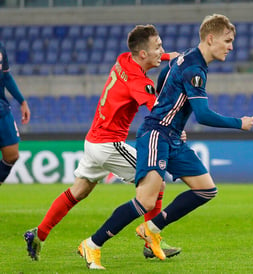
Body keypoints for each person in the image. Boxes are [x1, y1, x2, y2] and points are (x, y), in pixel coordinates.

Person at [78, 13, 253, 269]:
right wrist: (239, 123)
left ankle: (152, 228)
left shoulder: (186, 57)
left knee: (206, 189)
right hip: (156, 135)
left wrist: (166, 105)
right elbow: (203, 115)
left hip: (172, 137)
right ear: (210, 38)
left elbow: (164, 78)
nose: (231, 46)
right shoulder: (194, 69)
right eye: (227, 41)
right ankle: (92, 245)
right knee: (146, 201)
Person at [23, 25, 182, 265]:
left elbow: (152, 58)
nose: (162, 50)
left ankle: (39, 234)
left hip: (93, 141)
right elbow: (158, 112)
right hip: (109, 143)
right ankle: (150, 241)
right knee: (155, 180)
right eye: (158, 47)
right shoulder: (139, 82)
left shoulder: (124, 59)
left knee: (78, 191)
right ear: (142, 54)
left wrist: (171, 56)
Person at [0, 42, 31, 186]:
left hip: (2, 110)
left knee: (12, 155)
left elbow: (6, 76)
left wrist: (22, 101)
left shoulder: (1, 46)